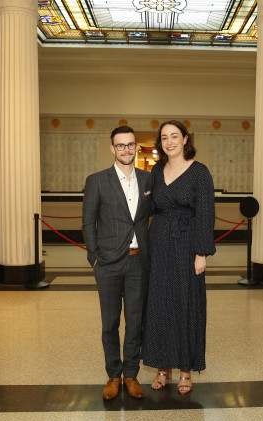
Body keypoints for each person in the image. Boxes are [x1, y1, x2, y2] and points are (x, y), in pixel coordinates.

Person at [141, 120, 216, 394]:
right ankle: (163, 367)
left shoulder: (199, 172)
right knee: (159, 304)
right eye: (164, 138)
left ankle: (185, 369)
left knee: (185, 304)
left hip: (187, 245)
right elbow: (147, 207)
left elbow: (206, 215)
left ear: (185, 139)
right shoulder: (156, 170)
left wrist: (201, 253)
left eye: (174, 136)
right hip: (158, 243)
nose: (169, 142)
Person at [82, 125, 153, 400]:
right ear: (113, 148)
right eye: (120, 145)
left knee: (135, 322)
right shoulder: (97, 180)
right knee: (110, 323)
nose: (126, 149)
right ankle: (113, 374)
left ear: (136, 147)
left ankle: (131, 374)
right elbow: (88, 222)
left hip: (138, 263)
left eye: (130, 144)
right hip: (108, 263)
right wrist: (94, 257)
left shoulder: (148, 180)